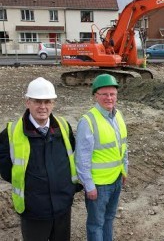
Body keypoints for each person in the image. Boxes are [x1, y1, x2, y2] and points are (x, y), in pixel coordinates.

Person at [0, 77, 79, 241]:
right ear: (27, 102)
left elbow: (71, 158)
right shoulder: (11, 133)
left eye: (47, 101)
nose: (42, 107)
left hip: (62, 206)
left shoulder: (63, 127)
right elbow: (6, 170)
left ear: (53, 103)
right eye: (37, 101)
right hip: (34, 210)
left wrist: (68, 189)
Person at [75, 73, 128, 241]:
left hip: (116, 179)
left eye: (112, 94)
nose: (109, 98)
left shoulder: (118, 115)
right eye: (104, 94)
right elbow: (81, 159)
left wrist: (124, 169)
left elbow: (123, 146)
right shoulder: (88, 121)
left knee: (109, 219)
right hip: (99, 186)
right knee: (96, 223)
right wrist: (89, 185)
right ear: (95, 96)